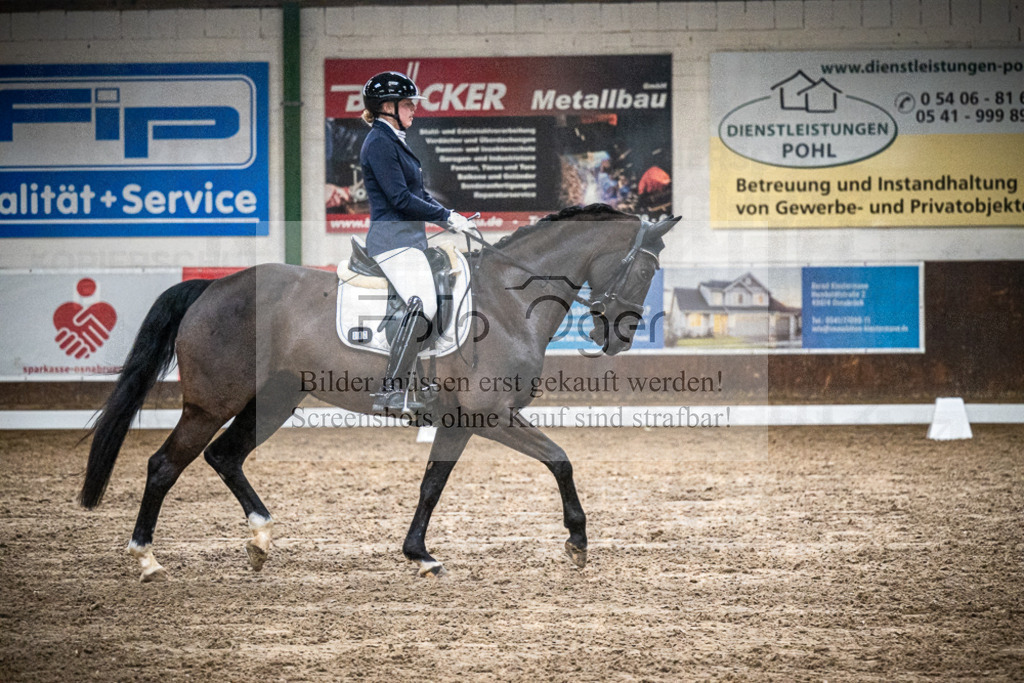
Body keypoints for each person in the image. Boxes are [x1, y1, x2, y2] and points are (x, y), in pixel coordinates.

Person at [359, 71, 475, 416]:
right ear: (387, 107)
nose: (414, 110)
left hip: (409, 240)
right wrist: (446, 215)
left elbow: (419, 194)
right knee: (423, 303)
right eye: (408, 104)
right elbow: (400, 198)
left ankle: (425, 381)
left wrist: (451, 219)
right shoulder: (379, 143)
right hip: (392, 240)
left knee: (439, 293)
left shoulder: (394, 139)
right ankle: (392, 390)